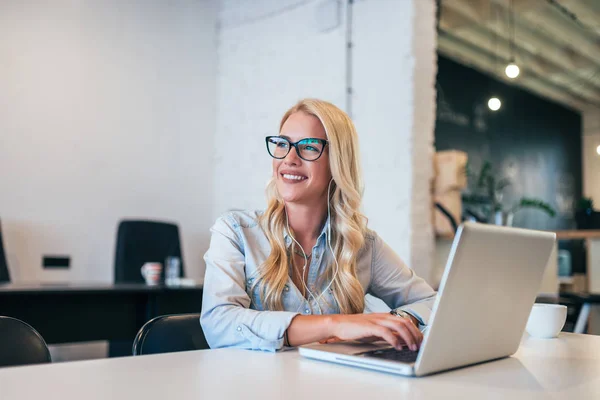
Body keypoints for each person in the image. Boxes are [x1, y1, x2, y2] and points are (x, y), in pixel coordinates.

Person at [201, 98, 437, 352]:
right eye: (282, 144)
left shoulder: (364, 246)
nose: (289, 158)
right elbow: (219, 324)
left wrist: (396, 323)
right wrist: (335, 325)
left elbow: (432, 302)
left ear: (338, 162)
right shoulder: (235, 231)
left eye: (309, 147)